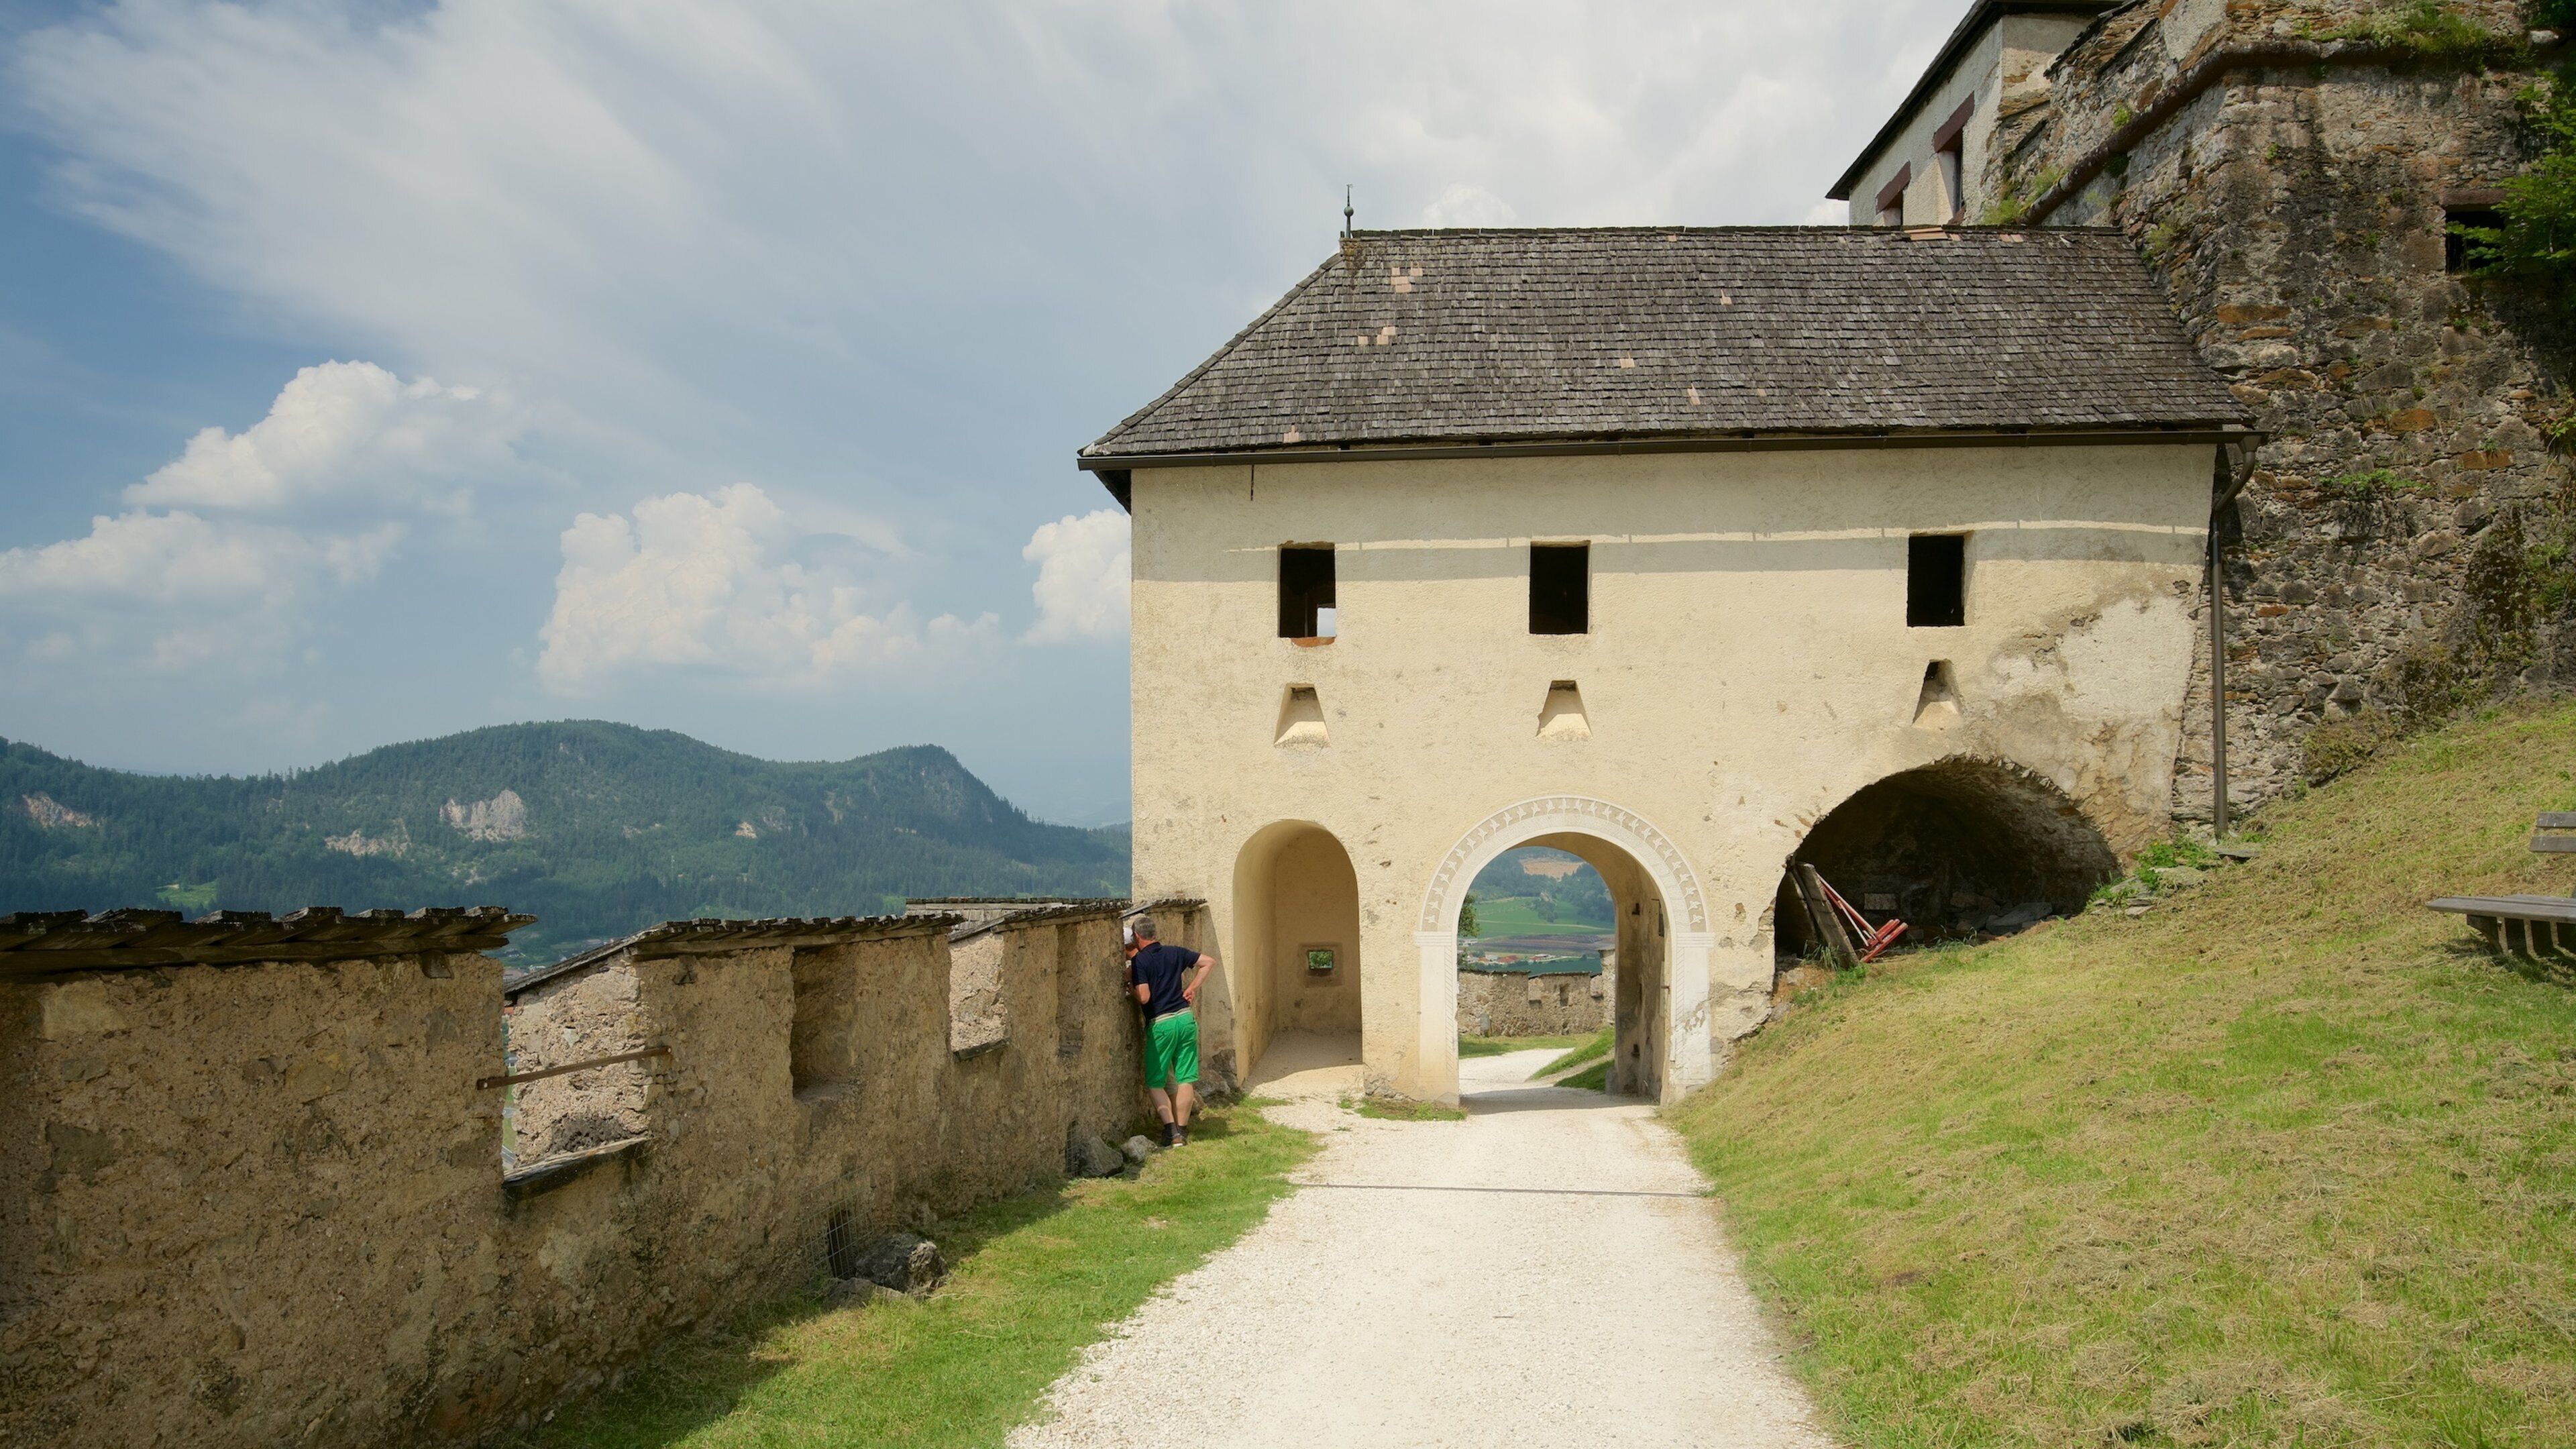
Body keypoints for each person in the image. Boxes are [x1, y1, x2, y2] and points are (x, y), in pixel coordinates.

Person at [1123, 915, 1216, 1146]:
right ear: (1155, 933)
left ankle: (1171, 1132)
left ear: (1136, 937)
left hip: (1162, 1024)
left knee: (1155, 1082)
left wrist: (1130, 988)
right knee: (1185, 1077)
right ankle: (1183, 1133)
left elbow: (1144, 997)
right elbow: (1209, 962)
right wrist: (1192, 988)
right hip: (1185, 1019)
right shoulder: (1175, 952)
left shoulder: (1140, 961)